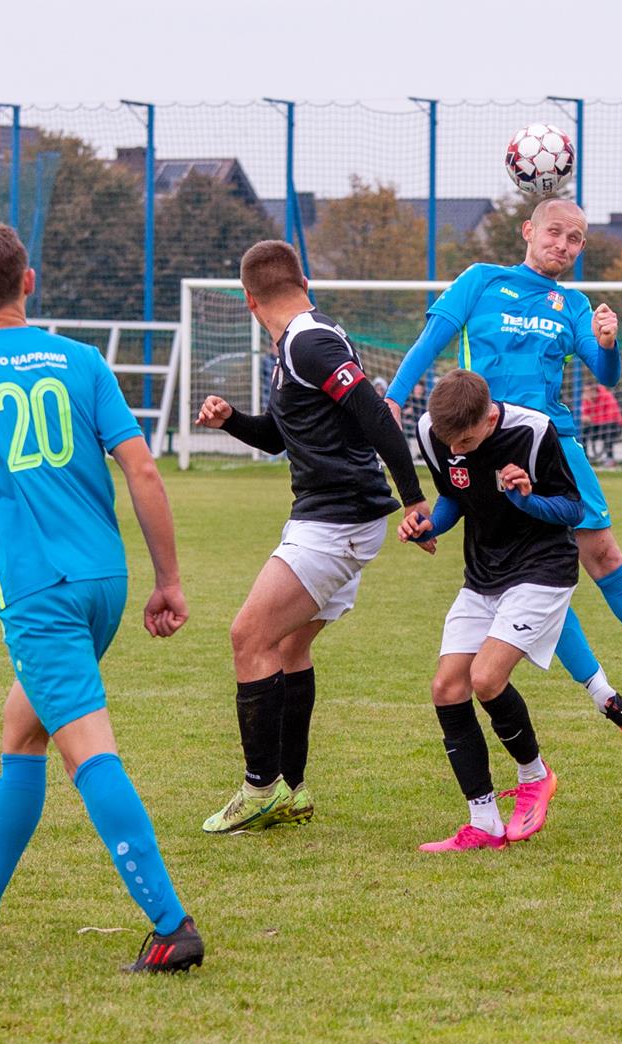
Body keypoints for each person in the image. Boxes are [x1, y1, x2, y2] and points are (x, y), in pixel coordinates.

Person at [0, 220, 202, 973]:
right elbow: (145, 473)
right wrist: (167, 579)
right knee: (22, 727)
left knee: (87, 750)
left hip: (40, 592)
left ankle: (172, 924)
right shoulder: (82, 359)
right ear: (28, 281)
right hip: (104, 579)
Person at [385, 197, 622, 744]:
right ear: (528, 230)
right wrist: (393, 400)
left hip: (555, 444)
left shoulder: (572, 303)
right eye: (554, 233)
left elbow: (606, 373)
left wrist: (610, 342)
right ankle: (607, 697)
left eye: (574, 240)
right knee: (536, 572)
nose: (562, 246)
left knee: (605, 555)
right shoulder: (481, 280)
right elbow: (429, 343)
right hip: (491, 446)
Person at [195, 240, 429, 833]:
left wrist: (416, 500)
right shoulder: (307, 338)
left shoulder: (308, 340)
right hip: (338, 518)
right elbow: (280, 435)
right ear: (304, 279)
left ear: (249, 301)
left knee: (248, 636)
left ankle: (258, 789)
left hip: (336, 519)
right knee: (289, 648)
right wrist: (232, 423)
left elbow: (377, 414)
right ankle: (293, 791)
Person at [399, 369, 582, 851]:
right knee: (446, 687)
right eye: (447, 441)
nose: (455, 449)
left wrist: (527, 498)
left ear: (489, 418)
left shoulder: (533, 430)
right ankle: (484, 824)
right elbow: (454, 497)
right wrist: (428, 526)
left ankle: (535, 777)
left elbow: (572, 510)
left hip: (543, 568)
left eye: (465, 439)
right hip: (483, 573)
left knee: (485, 678)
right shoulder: (430, 432)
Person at [579, 381, 622, 461]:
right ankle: (584, 458)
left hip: (614, 426)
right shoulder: (587, 400)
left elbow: (610, 418)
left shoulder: (607, 397)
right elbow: (584, 415)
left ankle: (610, 458)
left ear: (594, 391)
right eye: (584, 392)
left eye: (587, 391)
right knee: (583, 431)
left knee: (608, 429)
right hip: (597, 425)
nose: (585, 394)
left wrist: (591, 419)